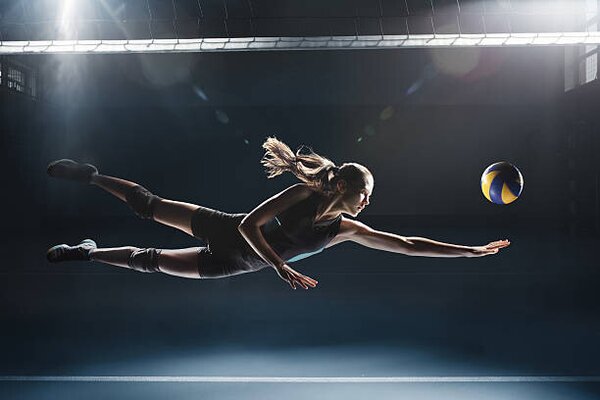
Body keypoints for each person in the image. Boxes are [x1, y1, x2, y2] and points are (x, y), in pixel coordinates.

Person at [46, 137, 510, 290]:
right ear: (344, 186)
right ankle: (90, 176)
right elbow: (250, 224)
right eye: (365, 191)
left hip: (232, 263)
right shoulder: (302, 195)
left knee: (149, 259)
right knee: (148, 206)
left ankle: (86, 252)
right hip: (226, 230)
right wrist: (281, 266)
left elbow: (408, 245)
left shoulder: (345, 229)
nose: (369, 201)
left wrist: (470, 252)